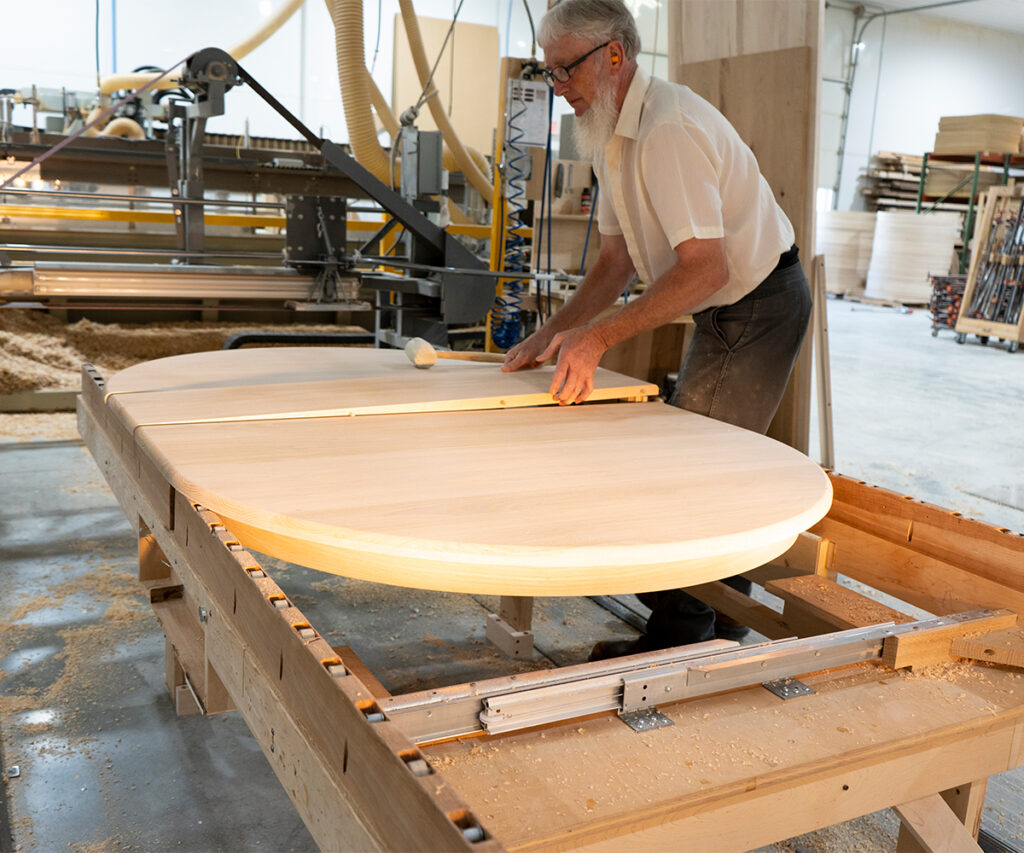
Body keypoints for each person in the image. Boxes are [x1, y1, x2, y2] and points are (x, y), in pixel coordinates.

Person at [501, 0, 812, 660]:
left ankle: (676, 639)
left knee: (690, 473)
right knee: (706, 456)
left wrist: (598, 339)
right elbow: (615, 262)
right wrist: (551, 332)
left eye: (565, 71)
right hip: (725, 300)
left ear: (614, 55)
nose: (558, 88)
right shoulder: (613, 132)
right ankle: (723, 623)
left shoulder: (667, 129)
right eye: (548, 71)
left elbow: (705, 267)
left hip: (758, 302)